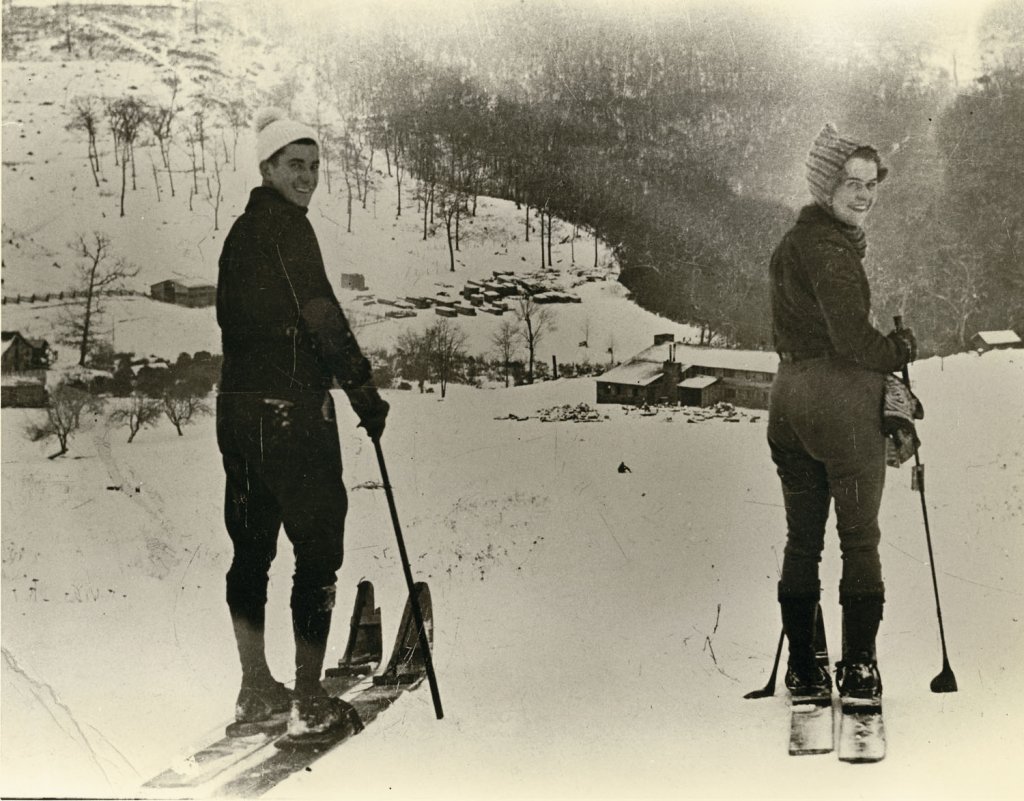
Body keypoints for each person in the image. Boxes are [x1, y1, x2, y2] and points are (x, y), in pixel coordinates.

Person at [216, 107, 389, 738]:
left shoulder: (240, 234)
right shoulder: (289, 229)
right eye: (295, 165)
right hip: (291, 417)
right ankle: (309, 703)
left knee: (252, 552)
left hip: (238, 416)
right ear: (267, 168)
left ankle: (255, 689)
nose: (308, 177)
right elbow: (322, 318)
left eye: (315, 166)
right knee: (317, 552)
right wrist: (365, 396)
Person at [766, 123, 917, 704]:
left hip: (788, 399)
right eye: (851, 182)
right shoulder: (831, 249)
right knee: (859, 539)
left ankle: (805, 667)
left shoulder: (792, 243)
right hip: (840, 404)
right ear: (824, 185)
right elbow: (853, 339)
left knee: (802, 541)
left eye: (871, 183)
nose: (864, 194)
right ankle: (858, 670)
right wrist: (898, 350)